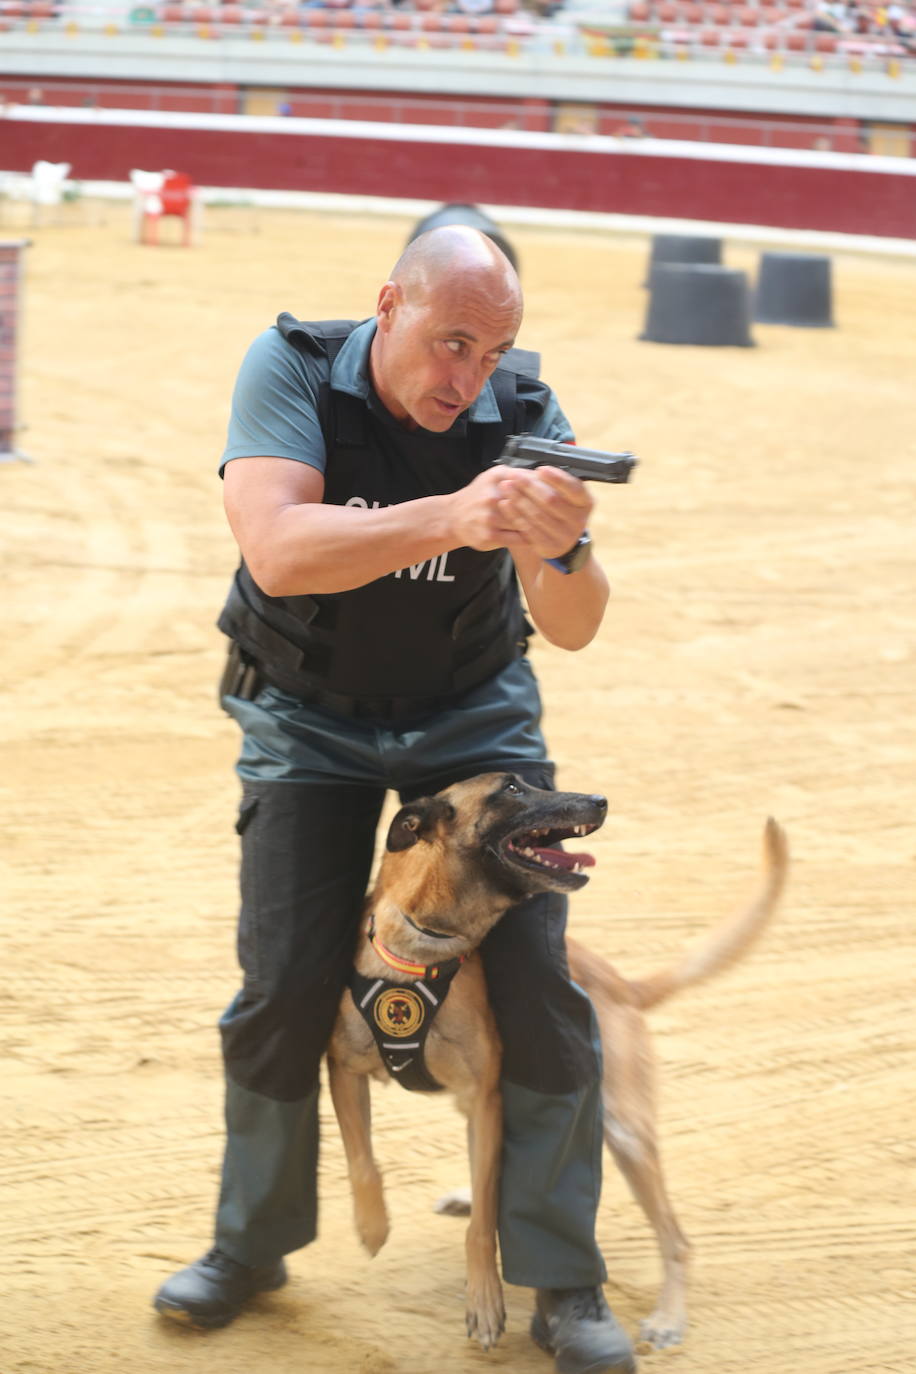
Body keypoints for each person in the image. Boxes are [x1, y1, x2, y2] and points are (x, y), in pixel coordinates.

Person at [152, 225, 636, 1374]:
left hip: (469, 715)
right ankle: (252, 1242)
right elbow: (274, 548)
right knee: (286, 977)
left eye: (493, 350)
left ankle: (560, 1271)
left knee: (538, 986)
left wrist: (562, 552)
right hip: (306, 712)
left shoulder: (523, 408)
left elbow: (570, 627)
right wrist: (457, 515)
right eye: (449, 340)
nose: (466, 377)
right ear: (388, 305)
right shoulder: (291, 371)